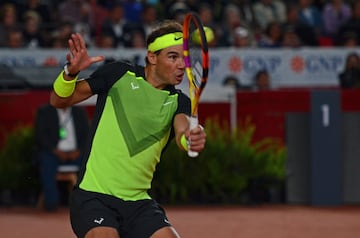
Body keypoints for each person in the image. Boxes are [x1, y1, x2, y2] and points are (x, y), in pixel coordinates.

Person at [49, 20, 207, 238]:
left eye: (185, 59)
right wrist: (70, 73)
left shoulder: (179, 102)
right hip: (94, 196)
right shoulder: (119, 74)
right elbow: (58, 101)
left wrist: (190, 138)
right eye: (173, 57)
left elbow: (182, 131)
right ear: (152, 57)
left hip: (138, 203)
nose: (182, 65)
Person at [34, 103, 90, 211]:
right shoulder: (45, 112)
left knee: (91, 162)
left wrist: (78, 151)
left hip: (76, 154)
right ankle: (51, 203)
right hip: (54, 154)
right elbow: (40, 136)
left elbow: (87, 135)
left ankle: (86, 204)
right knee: (46, 160)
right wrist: (56, 151)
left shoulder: (80, 112)